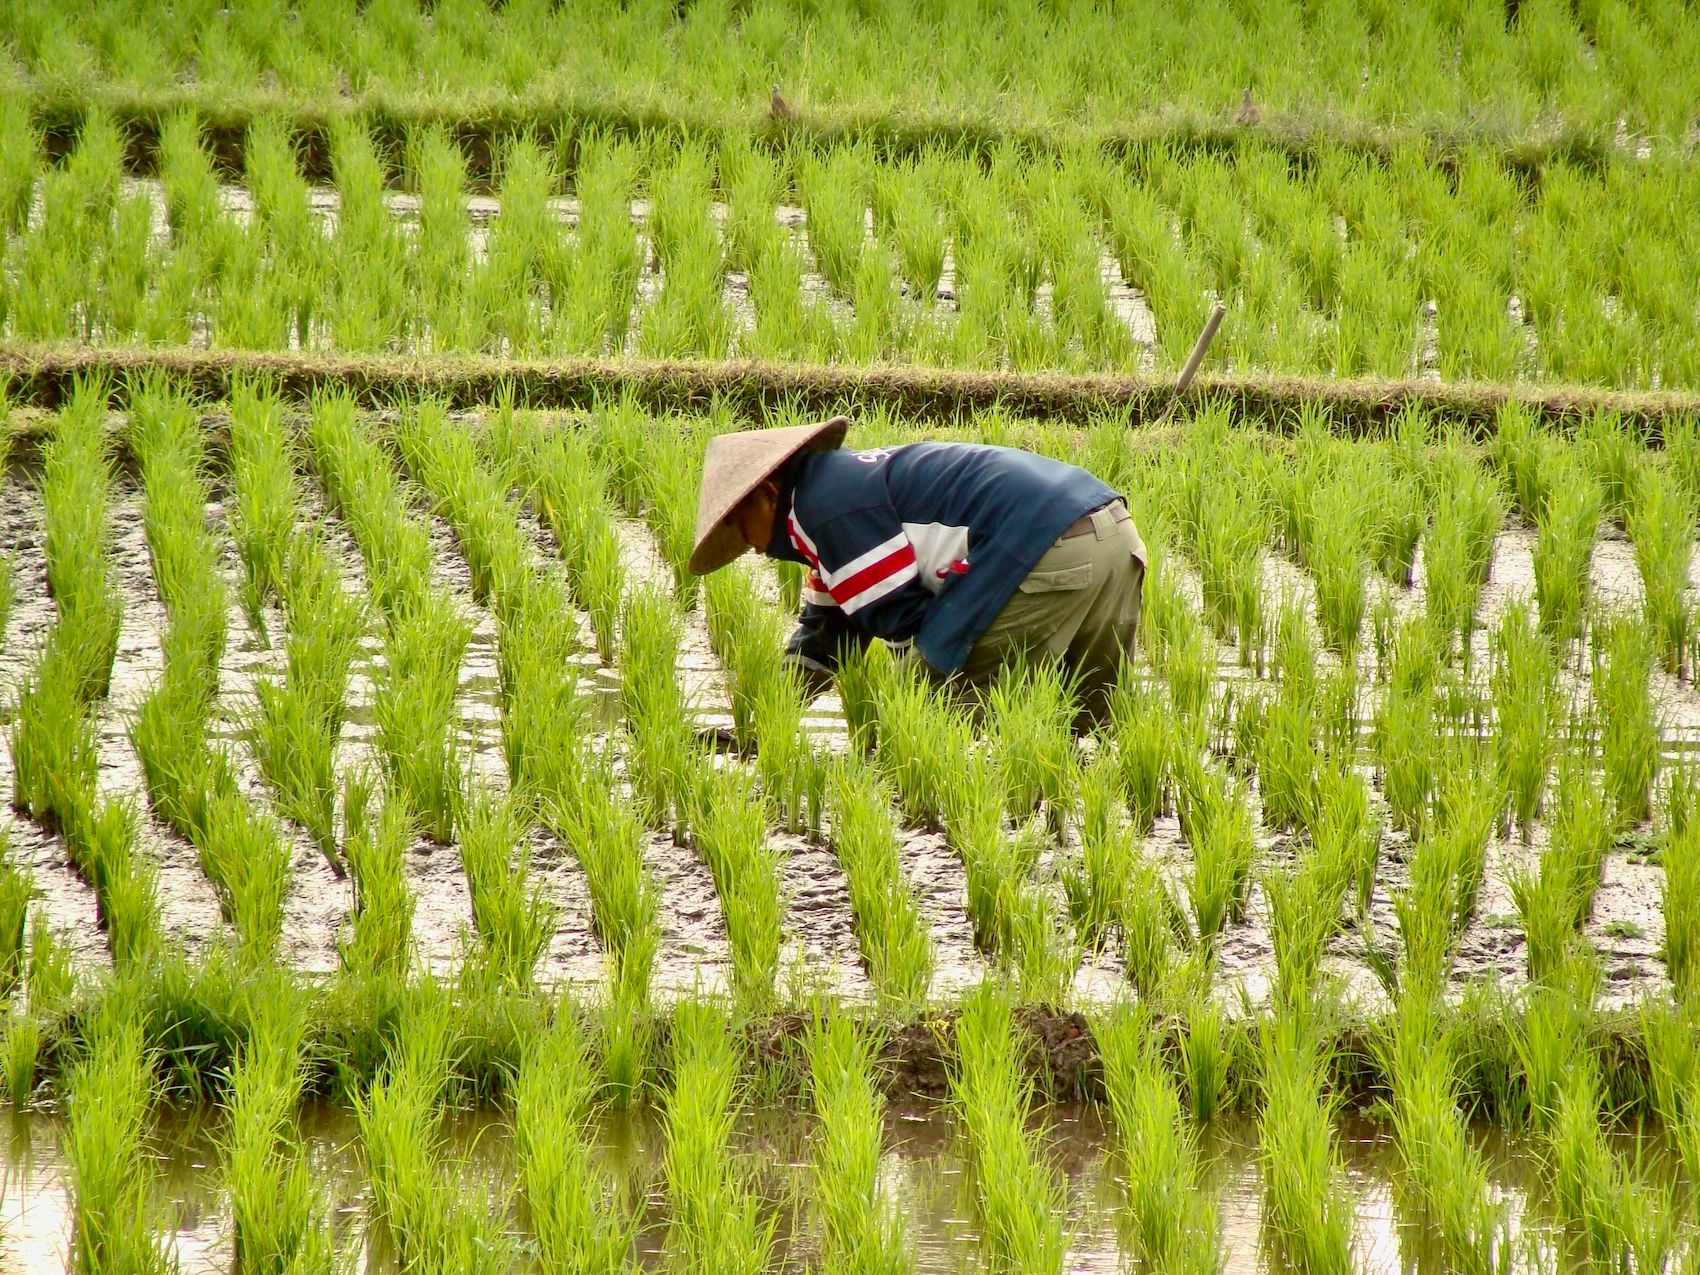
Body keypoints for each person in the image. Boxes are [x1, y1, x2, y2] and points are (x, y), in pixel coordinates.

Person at [688, 416, 1146, 728]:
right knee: (1093, 718)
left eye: (739, 526)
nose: (749, 546)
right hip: (1114, 532)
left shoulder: (822, 510)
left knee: (924, 707)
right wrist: (762, 722)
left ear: (769, 494)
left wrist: (892, 735)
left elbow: (907, 632)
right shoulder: (835, 495)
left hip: (1048, 546)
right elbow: (827, 637)